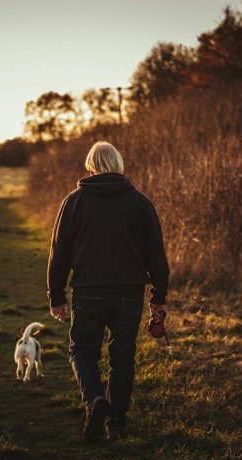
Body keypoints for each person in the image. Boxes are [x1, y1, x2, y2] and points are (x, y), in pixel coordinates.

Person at [47, 141, 170, 442]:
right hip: (129, 293)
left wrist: (56, 296)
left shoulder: (74, 202)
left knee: (81, 349)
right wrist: (159, 297)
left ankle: (94, 399)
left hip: (88, 291)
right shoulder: (140, 203)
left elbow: (59, 252)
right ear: (118, 164)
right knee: (122, 357)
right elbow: (156, 254)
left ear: (90, 165)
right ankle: (115, 424)